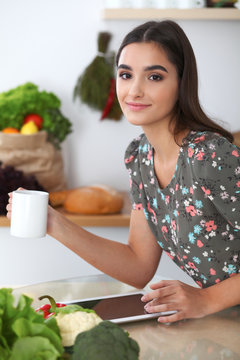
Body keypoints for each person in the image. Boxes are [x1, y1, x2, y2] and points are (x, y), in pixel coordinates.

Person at [7, 20, 240, 323]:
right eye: (126, 75)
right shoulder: (141, 157)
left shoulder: (209, 155)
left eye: (154, 76)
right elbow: (137, 266)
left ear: (181, 83)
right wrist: (54, 223)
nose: (135, 90)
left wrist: (207, 298)